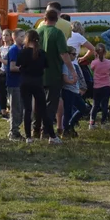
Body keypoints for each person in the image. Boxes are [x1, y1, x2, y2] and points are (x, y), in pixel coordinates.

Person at [39, 8, 70, 143]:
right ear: (57, 19)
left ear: (44, 18)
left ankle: (36, 128)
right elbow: (64, 54)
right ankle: (46, 131)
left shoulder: (37, 32)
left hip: (38, 73)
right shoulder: (58, 33)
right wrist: (72, 71)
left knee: (39, 102)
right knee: (52, 103)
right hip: (53, 73)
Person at [15, 29, 48, 143]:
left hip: (25, 81)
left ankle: (28, 136)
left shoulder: (23, 52)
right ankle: (51, 135)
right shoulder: (42, 53)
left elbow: (18, 64)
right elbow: (45, 66)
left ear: (27, 39)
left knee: (27, 109)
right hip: (38, 81)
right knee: (42, 108)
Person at [60, 46, 90, 136]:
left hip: (75, 91)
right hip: (68, 91)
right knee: (67, 112)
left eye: (76, 54)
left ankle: (70, 125)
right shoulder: (65, 65)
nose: (75, 56)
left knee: (83, 108)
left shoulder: (73, 64)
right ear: (67, 55)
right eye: (73, 54)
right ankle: (66, 130)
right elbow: (64, 78)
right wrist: (71, 82)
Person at [5, 29, 26, 140]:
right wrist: (25, 69)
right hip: (14, 83)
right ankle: (13, 132)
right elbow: (12, 67)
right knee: (15, 108)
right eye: (21, 36)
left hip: (20, 82)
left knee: (20, 107)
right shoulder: (14, 50)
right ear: (15, 37)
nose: (24, 38)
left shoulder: (22, 49)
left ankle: (16, 130)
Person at [89, 43, 110, 129]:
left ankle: (92, 122)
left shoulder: (94, 63)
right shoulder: (109, 63)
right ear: (105, 52)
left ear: (96, 52)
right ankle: (103, 122)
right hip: (106, 86)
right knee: (105, 105)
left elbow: (92, 69)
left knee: (95, 105)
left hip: (97, 87)